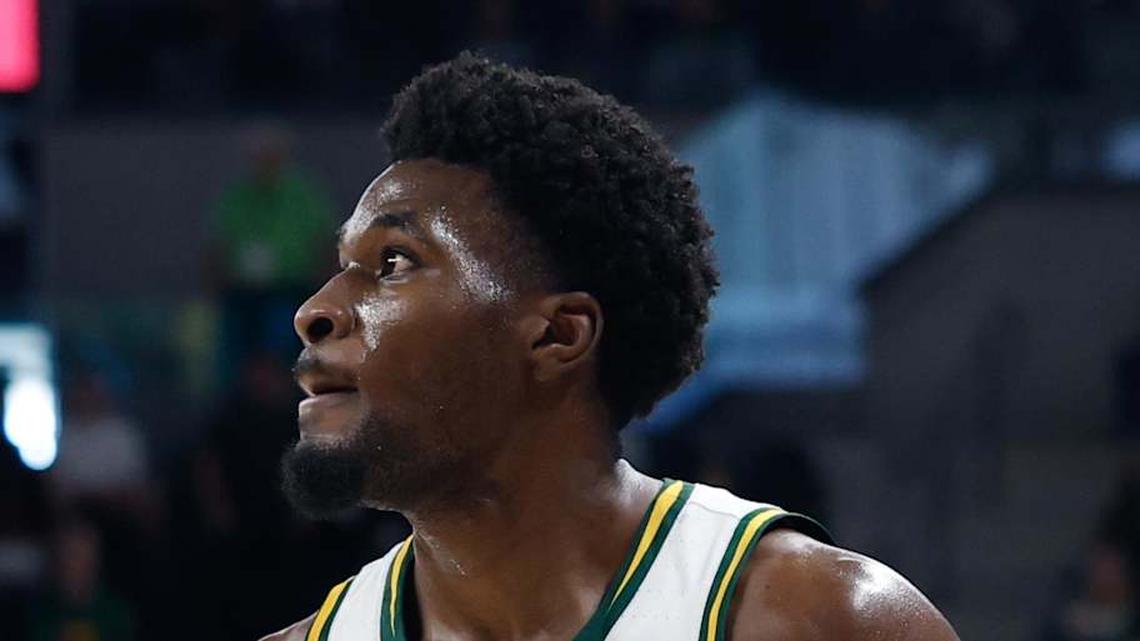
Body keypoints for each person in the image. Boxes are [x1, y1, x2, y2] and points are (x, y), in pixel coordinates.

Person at [264, 53, 960, 641]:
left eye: (392, 262)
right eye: (339, 266)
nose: (314, 310)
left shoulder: (816, 618)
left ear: (559, 335)